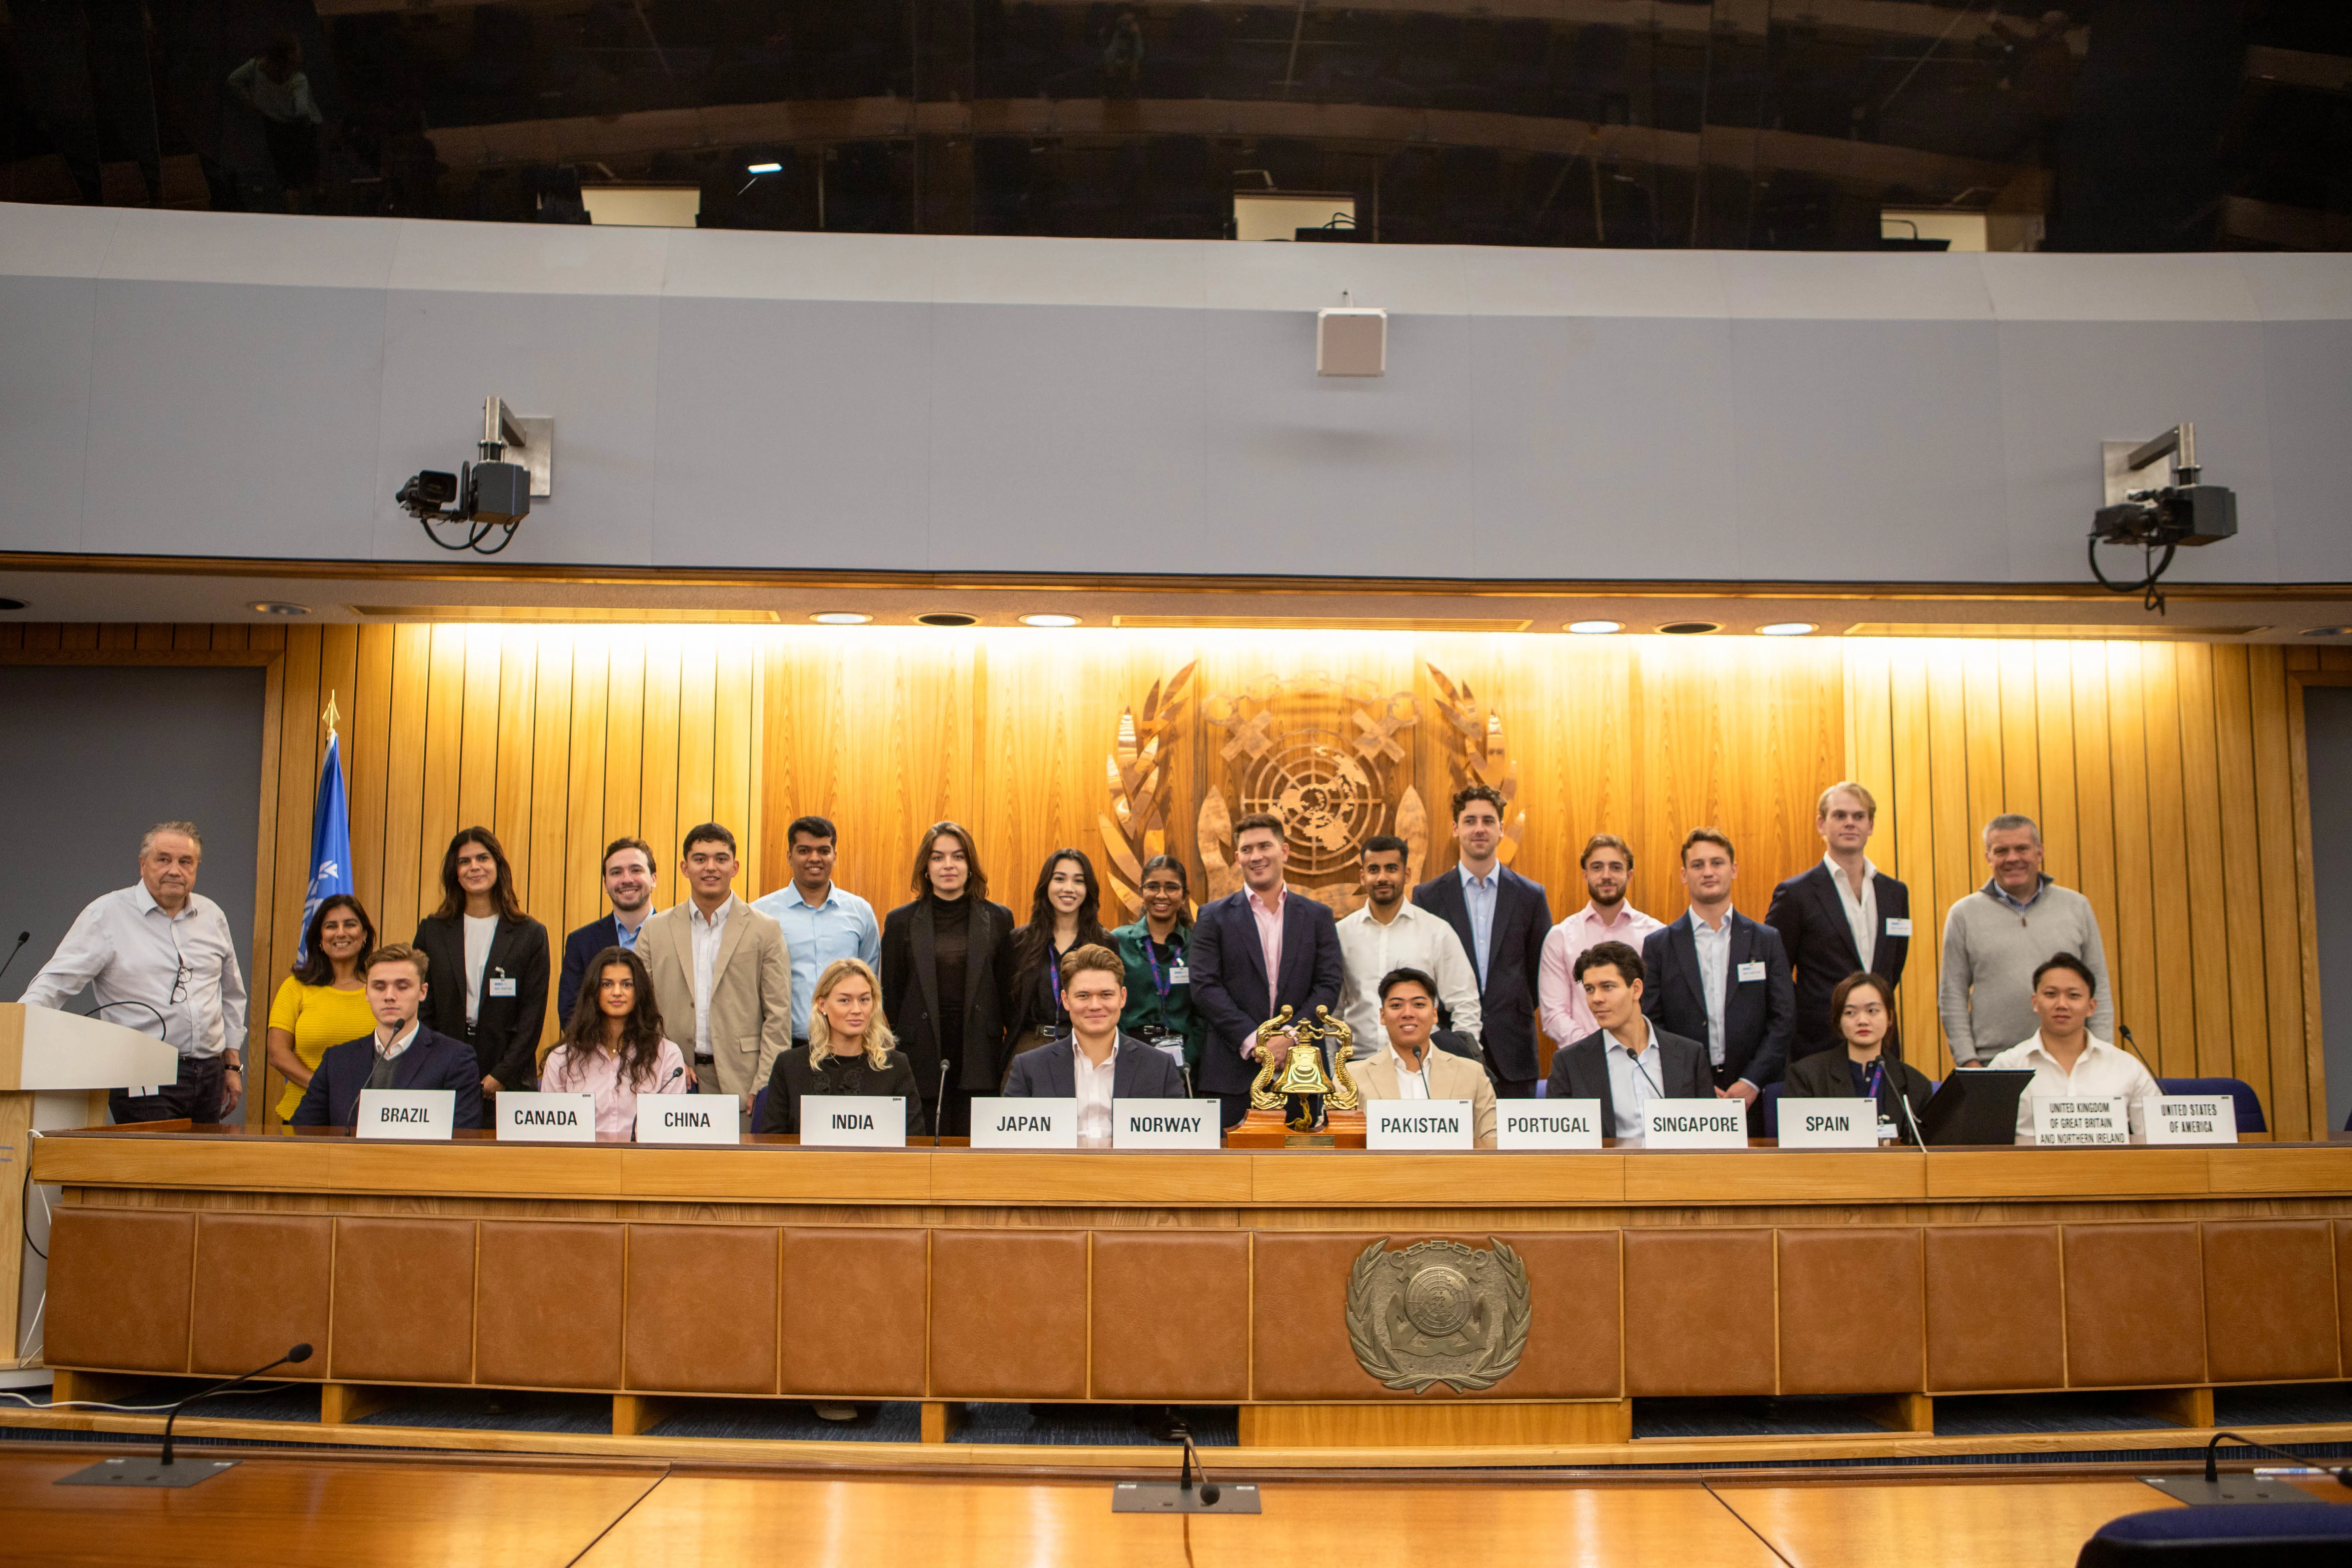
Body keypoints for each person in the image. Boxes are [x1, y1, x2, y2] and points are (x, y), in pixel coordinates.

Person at [21, 821, 250, 1126]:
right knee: (155, 1159)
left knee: (202, 1159)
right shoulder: (107, 915)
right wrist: (16, 1032)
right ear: (143, 865)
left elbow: (232, 994)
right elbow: (54, 983)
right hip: (142, 1073)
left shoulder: (213, 916)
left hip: (210, 1074)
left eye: (186, 862)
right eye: (163, 859)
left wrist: (232, 1064)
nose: (175, 870)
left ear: (196, 867)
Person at [1188, 813, 1345, 1128]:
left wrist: (1290, 1039)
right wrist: (1257, 1042)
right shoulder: (1213, 917)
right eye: (1247, 850)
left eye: (1265, 846)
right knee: (1229, 1158)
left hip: (1302, 1072)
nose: (1256, 856)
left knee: (1301, 1158)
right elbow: (1205, 988)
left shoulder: (1318, 916)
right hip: (1231, 1073)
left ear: (1284, 851)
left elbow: (1328, 985)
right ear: (1237, 858)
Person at [637, 823, 793, 1123]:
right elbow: (642, 1008)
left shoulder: (765, 929)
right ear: (685, 868)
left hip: (743, 1081)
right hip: (673, 1077)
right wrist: (663, 1058)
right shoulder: (655, 930)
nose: (711, 867)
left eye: (721, 859)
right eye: (700, 859)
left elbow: (779, 1014)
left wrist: (764, 1082)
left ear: (735, 867)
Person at [1938, 814, 2113, 1067]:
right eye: (2001, 851)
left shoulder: (2076, 907)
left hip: (2070, 1061)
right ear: (1988, 857)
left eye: (2022, 849)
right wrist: (1969, 1062)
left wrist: (2102, 1055)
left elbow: (2099, 987)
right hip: (1993, 1063)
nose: (2013, 858)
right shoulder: (1963, 915)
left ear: (2040, 853)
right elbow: (1952, 995)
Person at [1640, 829, 1794, 1115]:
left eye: (1717, 863)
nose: (1708, 872)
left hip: (1755, 1093)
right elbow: (1651, 1023)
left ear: (1733, 870)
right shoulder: (1659, 946)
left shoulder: (1766, 940)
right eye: (1698, 865)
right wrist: (1694, 1082)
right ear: (1684, 875)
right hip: (1684, 1093)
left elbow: (1783, 1018)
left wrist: (1751, 1082)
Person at [879, 821, 1016, 1138]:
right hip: (921, 1054)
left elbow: (1007, 990)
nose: (948, 865)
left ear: (970, 866)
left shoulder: (999, 918)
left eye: (958, 857)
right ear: (926, 868)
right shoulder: (900, 921)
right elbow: (892, 993)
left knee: (976, 1150)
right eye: (938, 857)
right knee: (924, 1145)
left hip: (980, 1053)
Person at [1412, 786, 1551, 1099]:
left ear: (1501, 829)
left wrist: (1510, 1007)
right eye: (1470, 820)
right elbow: (1422, 973)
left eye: (1488, 821)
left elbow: (1539, 974)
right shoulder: (1428, 897)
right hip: (1446, 1048)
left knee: (1514, 1133)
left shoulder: (1531, 896)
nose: (1479, 829)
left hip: (1514, 1052)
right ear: (1455, 828)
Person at [1765, 784, 1913, 1065]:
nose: (1850, 823)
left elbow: (1894, 963)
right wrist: (1814, 1008)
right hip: (1819, 1042)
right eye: (1840, 815)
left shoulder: (1895, 893)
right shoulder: (1795, 894)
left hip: (1882, 1042)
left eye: (1859, 816)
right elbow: (1777, 972)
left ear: (1871, 826)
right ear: (1821, 824)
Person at [412, 826, 550, 1121]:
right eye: (464, 861)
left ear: (498, 865)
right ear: (455, 872)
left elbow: (532, 1015)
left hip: (508, 1074)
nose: (474, 867)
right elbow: (421, 1005)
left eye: (483, 858)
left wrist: (503, 1074)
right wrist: (437, 1063)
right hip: (443, 1066)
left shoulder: (530, 934)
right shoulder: (432, 931)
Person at [1003, 944, 1185, 1147]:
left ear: (1123, 997)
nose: (1095, 1006)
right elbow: (1007, 1145)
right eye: (1083, 996)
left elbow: (1179, 1146)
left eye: (1106, 995)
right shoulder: (1029, 1067)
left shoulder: (1160, 1067)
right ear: (1066, 1000)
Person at [290, 945, 483, 1129]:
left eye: (402, 987)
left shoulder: (455, 1059)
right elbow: (303, 1131)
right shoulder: (337, 1060)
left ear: (422, 992)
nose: (389, 996)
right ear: (367, 992)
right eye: (380, 987)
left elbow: (463, 1137)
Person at [1985, 952, 2159, 1143]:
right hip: (2031, 1163)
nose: (2062, 1004)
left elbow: (2156, 1139)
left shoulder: (2126, 1067)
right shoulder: (2006, 1067)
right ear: (2035, 1002)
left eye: (2074, 996)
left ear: (2091, 1007)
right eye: (2051, 994)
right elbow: (1985, 1142)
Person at [1545, 942, 1711, 1140]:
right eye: (1590, 989)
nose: (1596, 999)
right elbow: (1560, 1144)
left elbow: (1709, 1136)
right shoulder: (1570, 1063)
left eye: (1607, 987)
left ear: (1636, 989)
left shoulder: (1690, 1055)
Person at [1335, 837, 1480, 1063]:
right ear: (1363, 877)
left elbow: (1465, 1004)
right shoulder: (1341, 934)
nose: (1382, 878)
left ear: (1407, 875)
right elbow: (1331, 1012)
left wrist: (1458, 1065)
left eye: (1392, 869)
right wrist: (1332, 1072)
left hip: (1422, 1065)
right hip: (1358, 1064)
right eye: (1374, 870)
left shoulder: (1437, 932)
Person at [751, 815, 882, 1054]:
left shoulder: (860, 912)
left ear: (835, 856)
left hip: (847, 1047)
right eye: (804, 851)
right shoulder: (761, 913)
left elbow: (870, 984)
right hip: (784, 1047)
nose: (814, 858)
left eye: (824, 851)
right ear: (789, 857)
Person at [758, 957, 927, 1137]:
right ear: (822, 1005)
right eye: (845, 1000)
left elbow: (915, 1142)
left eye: (864, 1000)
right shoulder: (789, 1065)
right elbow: (771, 1142)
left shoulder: (896, 1066)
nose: (857, 1010)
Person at [539, 947, 689, 1138]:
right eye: (607, 984)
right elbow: (551, 1135)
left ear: (640, 992)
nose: (617, 992)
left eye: (627, 985)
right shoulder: (562, 1059)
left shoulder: (667, 1055)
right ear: (594, 991)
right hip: (581, 1157)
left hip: (644, 1157)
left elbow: (672, 1136)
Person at [1345, 968, 1497, 1148]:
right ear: (1383, 1016)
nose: (1408, 1013)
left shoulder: (1472, 1074)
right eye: (1396, 1006)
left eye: (1418, 1005)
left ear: (1434, 1014)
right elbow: (1335, 1143)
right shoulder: (1351, 1077)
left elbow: (1492, 1141)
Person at [1538, 834, 1663, 1049]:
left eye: (1616, 867)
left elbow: (1661, 1008)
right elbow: (1554, 1015)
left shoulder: (1655, 935)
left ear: (1629, 875)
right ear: (1585, 875)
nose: (1606, 876)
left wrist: (1638, 1048)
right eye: (1597, 868)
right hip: (1583, 1059)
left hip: (1644, 1057)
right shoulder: (1560, 937)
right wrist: (1595, 1052)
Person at [264, 894, 377, 1123]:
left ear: (365, 935)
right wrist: (325, 1089)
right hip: (305, 1113)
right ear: (320, 938)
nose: (341, 933)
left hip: (370, 1115)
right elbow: (277, 1053)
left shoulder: (381, 988)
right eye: (331, 926)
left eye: (350, 924)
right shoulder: (296, 986)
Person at [1782, 971, 1933, 1141]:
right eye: (1850, 1013)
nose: (1863, 1021)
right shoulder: (1806, 1077)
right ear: (1838, 1021)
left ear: (1890, 1017)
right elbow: (1798, 1142)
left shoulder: (1916, 1085)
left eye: (1872, 1011)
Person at [1004, 849, 1114, 1069]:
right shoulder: (1020, 941)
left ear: (1088, 889)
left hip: (1087, 1047)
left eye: (1079, 881)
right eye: (1060, 879)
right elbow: (1006, 1004)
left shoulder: (1105, 943)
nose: (1069, 888)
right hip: (1031, 1047)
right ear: (1046, 885)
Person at [1112, 855, 1198, 1082]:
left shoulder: (1197, 945)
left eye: (1172, 887)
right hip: (1129, 1052)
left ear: (1185, 895)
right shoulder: (1118, 941)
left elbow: (1205, 1011)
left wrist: (1190, 1059)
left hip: (1185, 1059)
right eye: (1153, 887)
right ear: (1142, 892)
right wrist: (1124, 1051)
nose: (1161, 895)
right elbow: (1109, 1003)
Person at [556, 837, 658, 1024]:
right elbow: (571, 1013)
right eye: (616, 872)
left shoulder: (677, 937)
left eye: (636, 870)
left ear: (653, 879)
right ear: (605, 884)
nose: (627, 879)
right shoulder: (581, 943)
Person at [225, 36, 323, 211]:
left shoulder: (255, 68)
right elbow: (302, 110)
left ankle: (294, 216)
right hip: (301, 130)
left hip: (275, 127)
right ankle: (316, 211)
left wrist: (251, 102)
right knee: (310, 176)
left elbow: (233, 80)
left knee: (288, 180)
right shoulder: (297, 80)